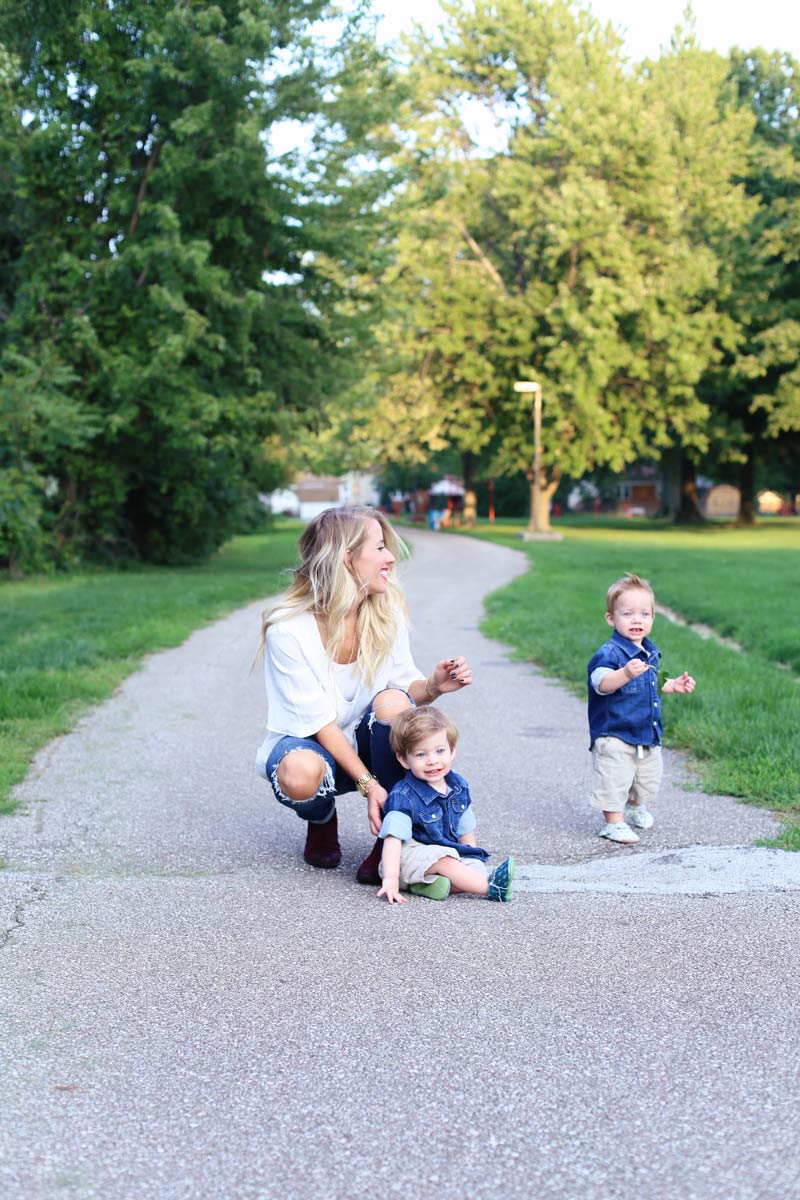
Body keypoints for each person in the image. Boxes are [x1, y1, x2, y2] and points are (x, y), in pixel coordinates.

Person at [255, 506, 473, 884]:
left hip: (361, 744)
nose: (390, 557)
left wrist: (435, 686)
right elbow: (320, 724)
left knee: (393, 702)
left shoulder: (384, 612)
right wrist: (368, 786)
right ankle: (321, 817)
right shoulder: (288, 630)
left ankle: (393, 835)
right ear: (347, 557)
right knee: (300, 774)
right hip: (311, 747)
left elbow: (406, 690)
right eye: (380, 547)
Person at [587, 572, 696, 845]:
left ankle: (636, 805)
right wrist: (624, 673)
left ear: (652, 619)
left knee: (646, 777)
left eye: (644, 614)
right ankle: (613, 823)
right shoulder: (610, 653)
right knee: (614, 778)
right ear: (611, 618)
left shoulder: (649, 651)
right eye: (628, 614)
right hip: (615, 733)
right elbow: (600, 683)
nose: (637, 620)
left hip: (646, 731)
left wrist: (673, 685)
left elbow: (652, 683)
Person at [375, 706, 515, 904]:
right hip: (406, 858)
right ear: (404, 759)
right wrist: (390, 879)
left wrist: (471, 860)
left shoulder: (458, 787)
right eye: (421, 755)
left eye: (440, 751)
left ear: (452, 751)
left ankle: (428, 885)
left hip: (444, 853)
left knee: (472, 867)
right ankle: (491, 888)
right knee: (447, 860)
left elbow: (466, 832)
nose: (432, 761)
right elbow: (393, 839)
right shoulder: (403, 795)